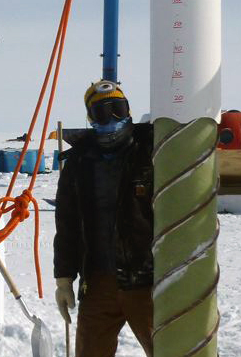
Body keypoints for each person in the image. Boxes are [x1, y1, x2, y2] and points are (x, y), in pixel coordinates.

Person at [53, 80, 156, 357]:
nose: (111, 119)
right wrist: (64, 279)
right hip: (99, 282)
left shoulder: (152, 151)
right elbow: (67, 225)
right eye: (101, 113)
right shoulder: (78, 163)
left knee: (172, 349)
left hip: (148, 279)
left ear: (129, 111)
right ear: (90, 119)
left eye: (118, 109)